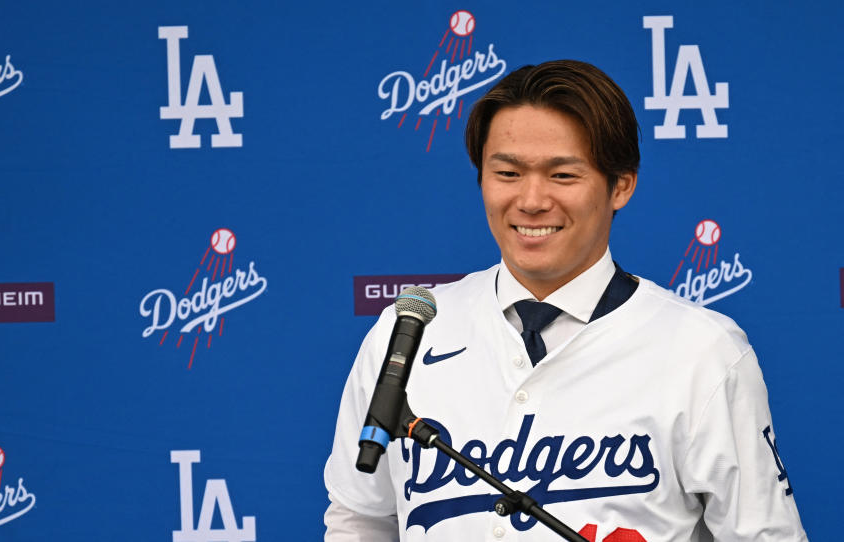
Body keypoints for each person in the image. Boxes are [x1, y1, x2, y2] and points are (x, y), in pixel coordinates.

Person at [323, 60, 807, 541]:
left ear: (621, 185)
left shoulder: (702, 350)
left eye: (563, 175)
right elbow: (360, 519)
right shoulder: (406, 332)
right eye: (508, 172)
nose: (531, 200)